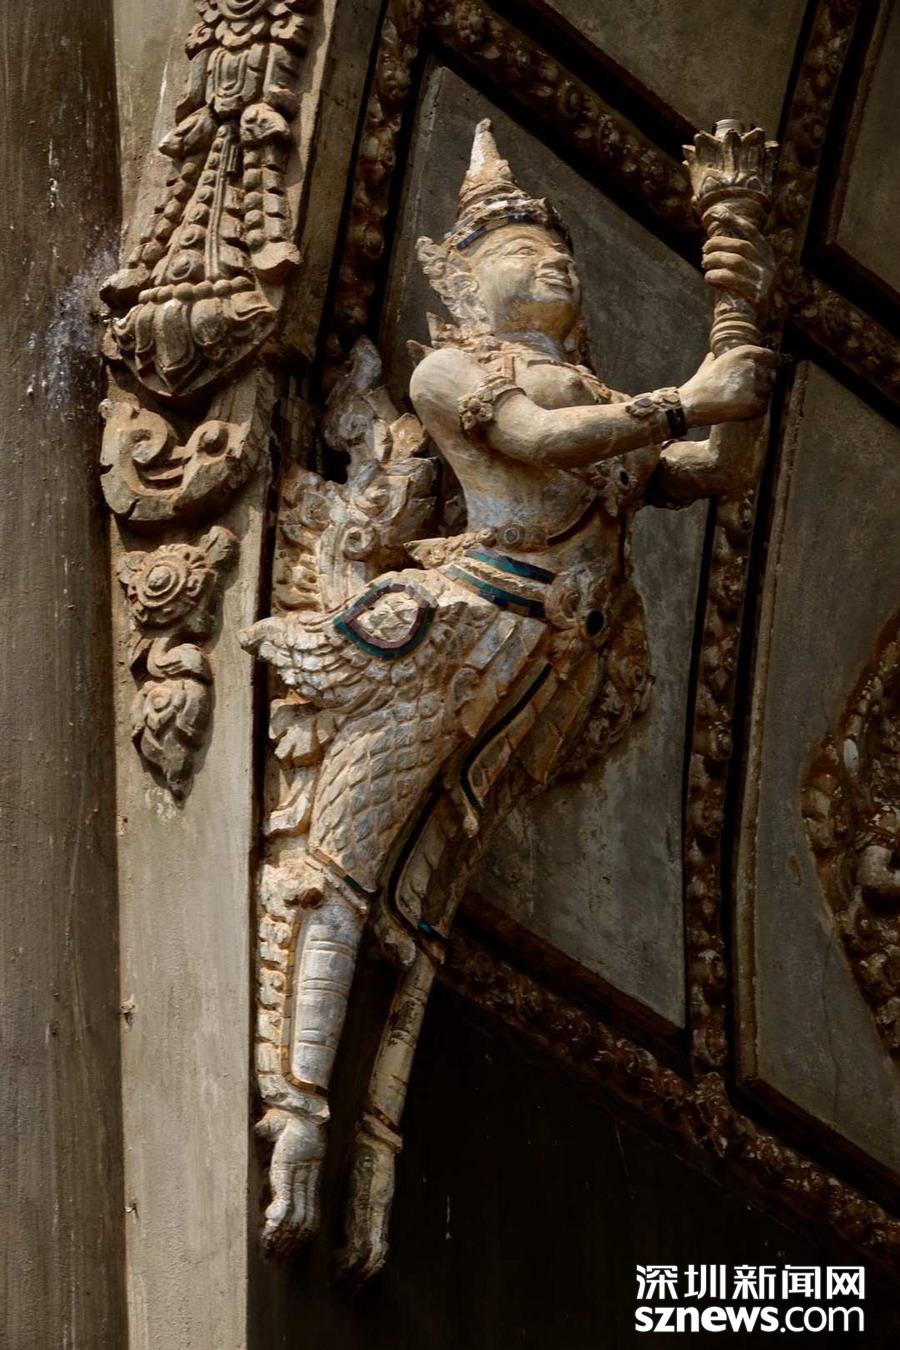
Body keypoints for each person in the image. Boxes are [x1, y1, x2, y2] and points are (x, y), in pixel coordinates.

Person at [241, 118, 776, 1265]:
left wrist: (743, 313)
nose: (554, 267)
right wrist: (686, 398)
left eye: (561, 254)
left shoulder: (603, 396)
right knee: (338, 865)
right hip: (452, 639)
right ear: (465, 277)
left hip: (544, 675)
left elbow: (718, 467)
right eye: (525, 252)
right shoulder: (458, 374)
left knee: (429, 908)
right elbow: (536, 439)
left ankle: (375, 1157)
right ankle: (296, 1115)